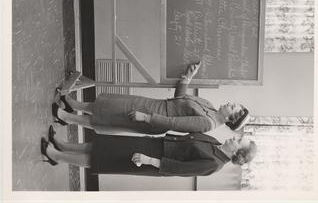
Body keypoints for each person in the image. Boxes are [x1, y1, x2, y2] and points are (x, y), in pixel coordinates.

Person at [52, 62, 251, 135]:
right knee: (110, 105)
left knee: (108, 118)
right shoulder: (210, 106)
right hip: (154, 105)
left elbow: (174, 123)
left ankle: (67, 117)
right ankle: (74, 104)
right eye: (234, 104)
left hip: (152, 118)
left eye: (233, 108)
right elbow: (180, 98)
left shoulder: (208, 124)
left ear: (231, 119)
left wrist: (146, 118)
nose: (230, 103)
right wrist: (188, 78)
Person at [41, 131, 257, 177]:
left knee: (103, 159)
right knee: (103, 145)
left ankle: (56, 156)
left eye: (238, 141)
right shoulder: (217, 144)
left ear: (238, 152)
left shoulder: (214, 164)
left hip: (152, 160)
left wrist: (149, 160)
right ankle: (63, 145)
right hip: (153, 145)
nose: (234, 138)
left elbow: (179, 169)